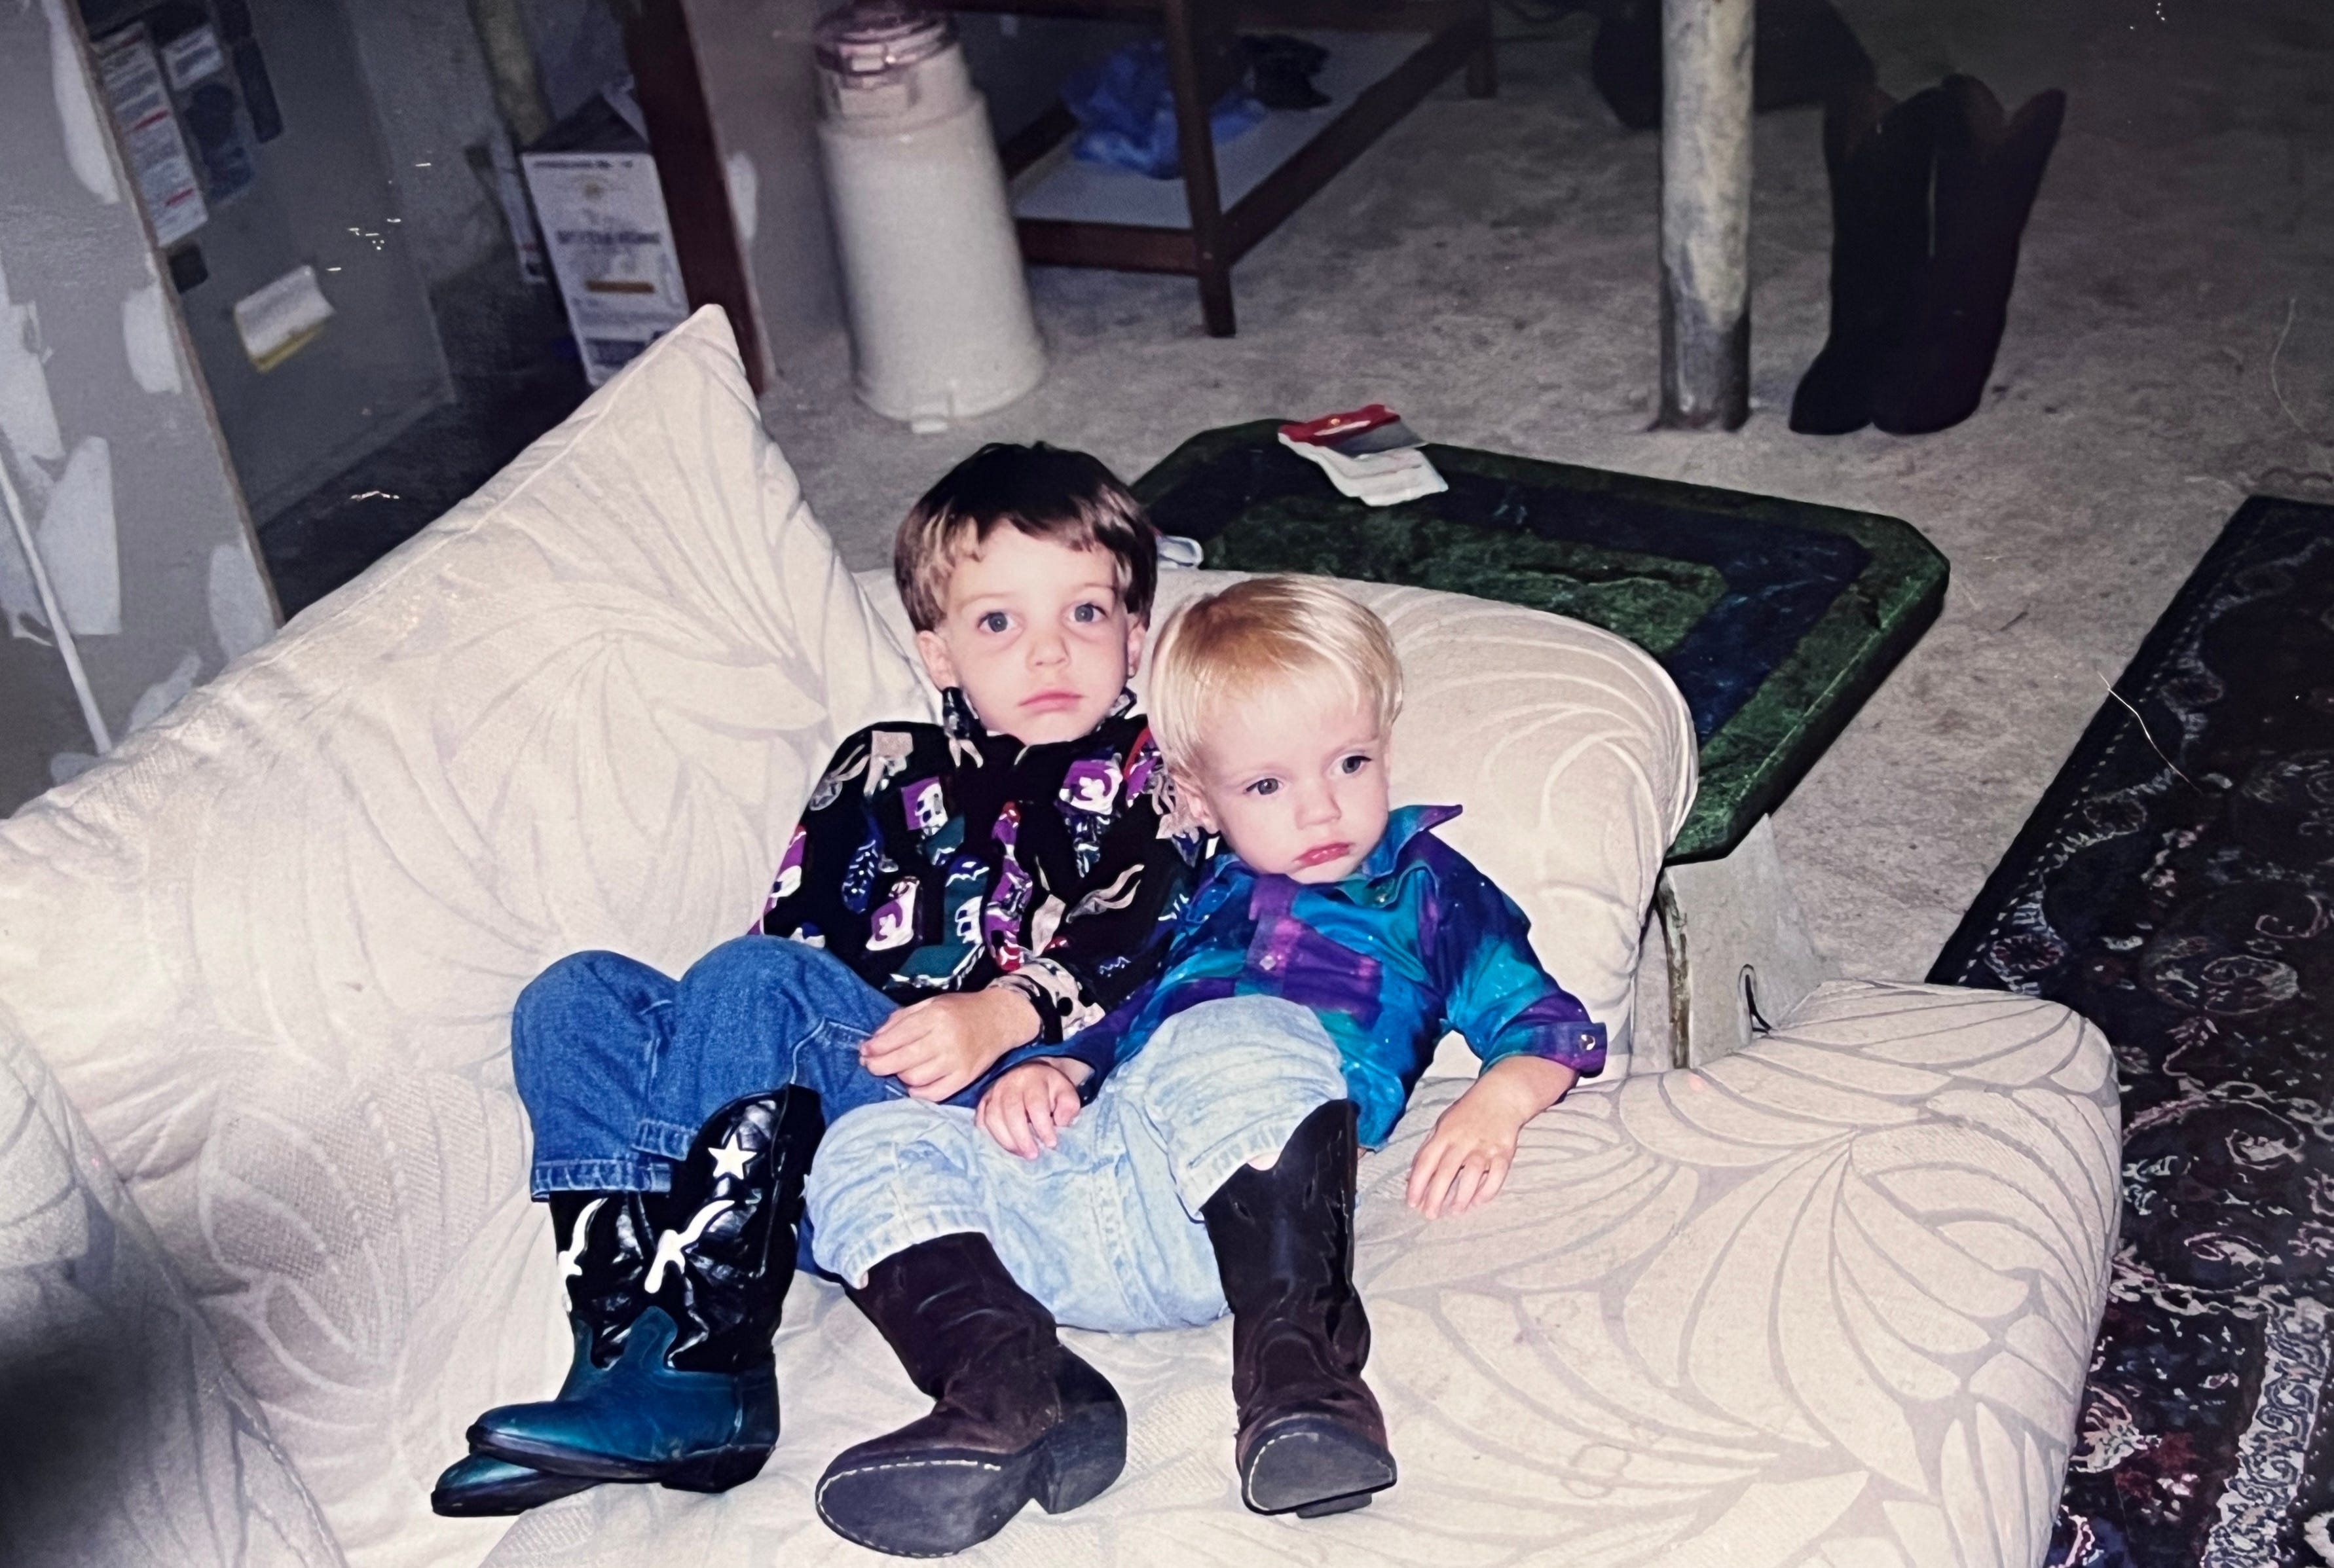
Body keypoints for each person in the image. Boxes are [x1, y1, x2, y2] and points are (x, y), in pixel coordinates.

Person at [430, 444, 1207, 1516]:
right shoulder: (878, 765)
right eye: (998, 622)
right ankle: (624, 1358)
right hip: (814, 1126)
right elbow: (793, 949)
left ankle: (708, 1366)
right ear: (937, 652)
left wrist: (1008, 1010)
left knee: (754, 979)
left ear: (1137, 633)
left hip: (998, 1112)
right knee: (575, 997)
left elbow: (1152, 926)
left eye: (1086, 613)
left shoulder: (1159, 773)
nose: (1048, 650)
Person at [803, 575, 1608, 1556]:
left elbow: (1548, 1021)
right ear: (1195, 795)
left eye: (1351, 763)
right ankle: (1015, 1389)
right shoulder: (1181, 896)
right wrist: (1056, 1072)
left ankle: (1301, 1379)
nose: (1321, 807)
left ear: (1386, 748)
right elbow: (1114, 1010)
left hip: (1258, 1212)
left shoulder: (1426, 888)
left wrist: (1497, 1100)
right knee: (868, 1141)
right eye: (1267, 786)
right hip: (1097, 1197)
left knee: (1241, 1030)